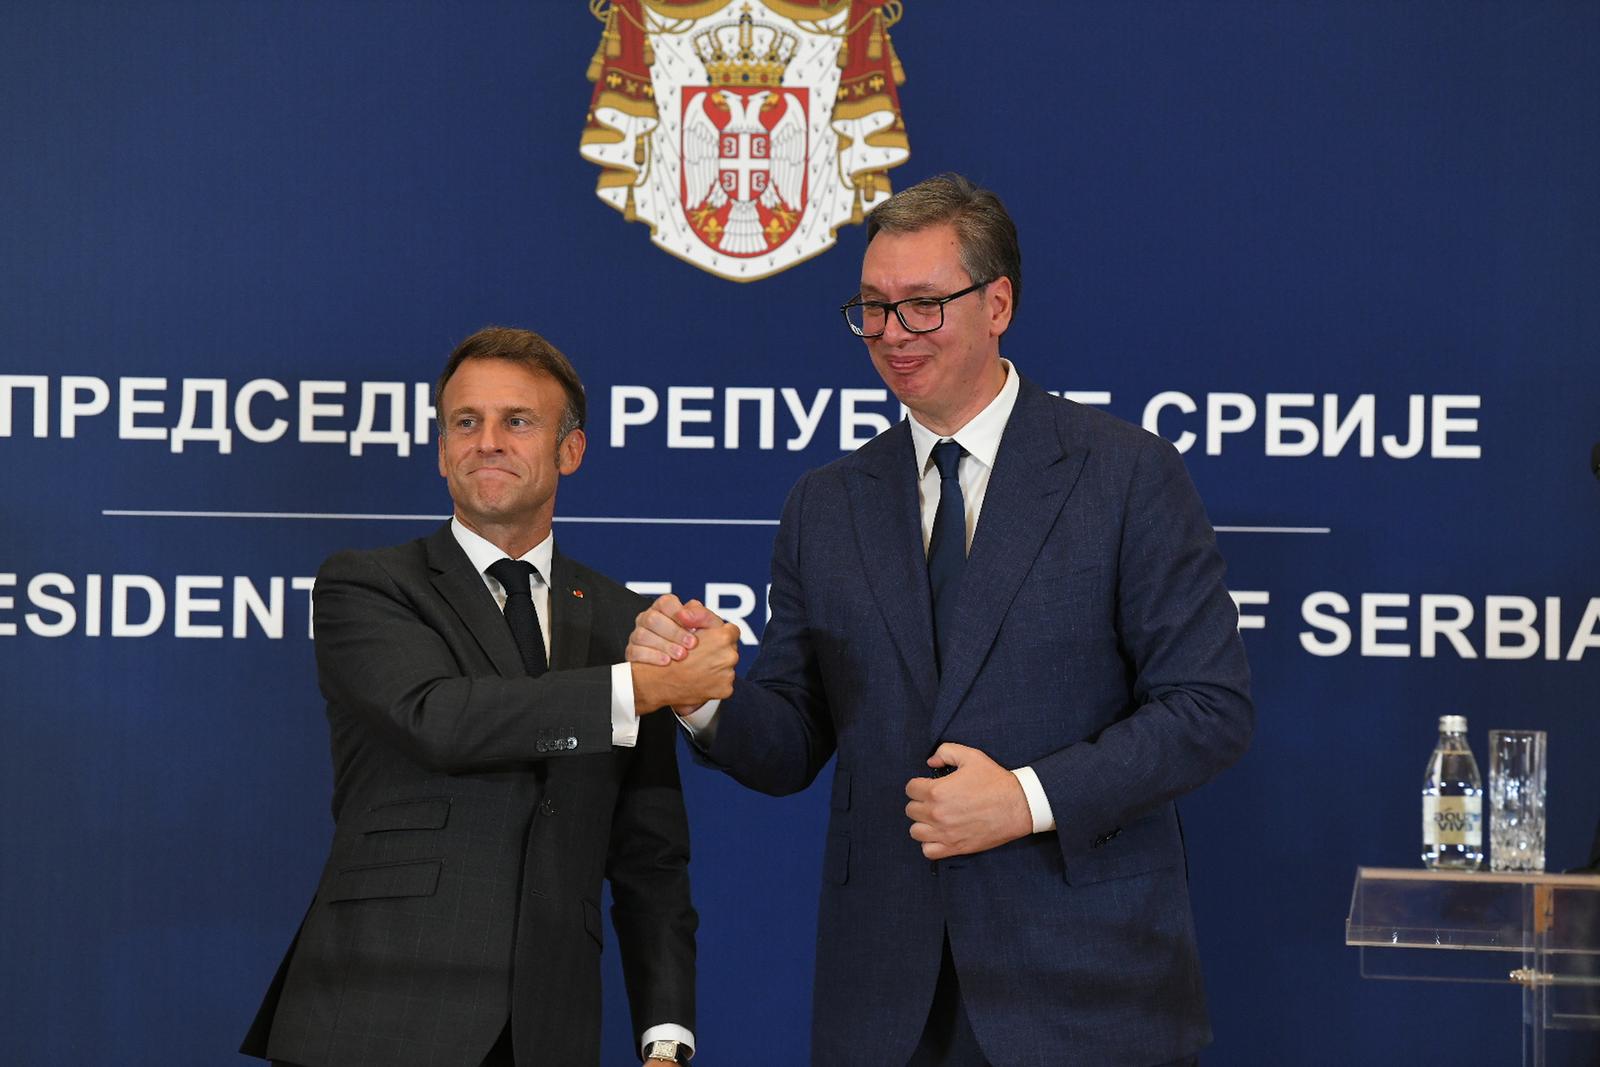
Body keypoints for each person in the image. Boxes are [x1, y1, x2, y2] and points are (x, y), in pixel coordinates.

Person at [630, 174, 1254, 1066]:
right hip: (886, 999)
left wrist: (1025, 798)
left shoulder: (1124, 474)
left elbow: (1208, 708)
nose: (891, 335)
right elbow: (793, 737)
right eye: (873, 309)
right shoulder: (827, 505)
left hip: (1087, 988)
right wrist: (703, 695)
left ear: (997, 303)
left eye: (923, 307)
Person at [242, 327, 738, 1067]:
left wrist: (665, 1036)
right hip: (374, 1018)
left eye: (518, 421)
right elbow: (439, 718)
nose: (487, 441)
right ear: (442, 450)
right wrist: (641, 685)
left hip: (546, 1031)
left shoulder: (620, 621)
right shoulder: (369, 585)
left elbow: (650, 859)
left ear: (570, 451)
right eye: (464, 422)